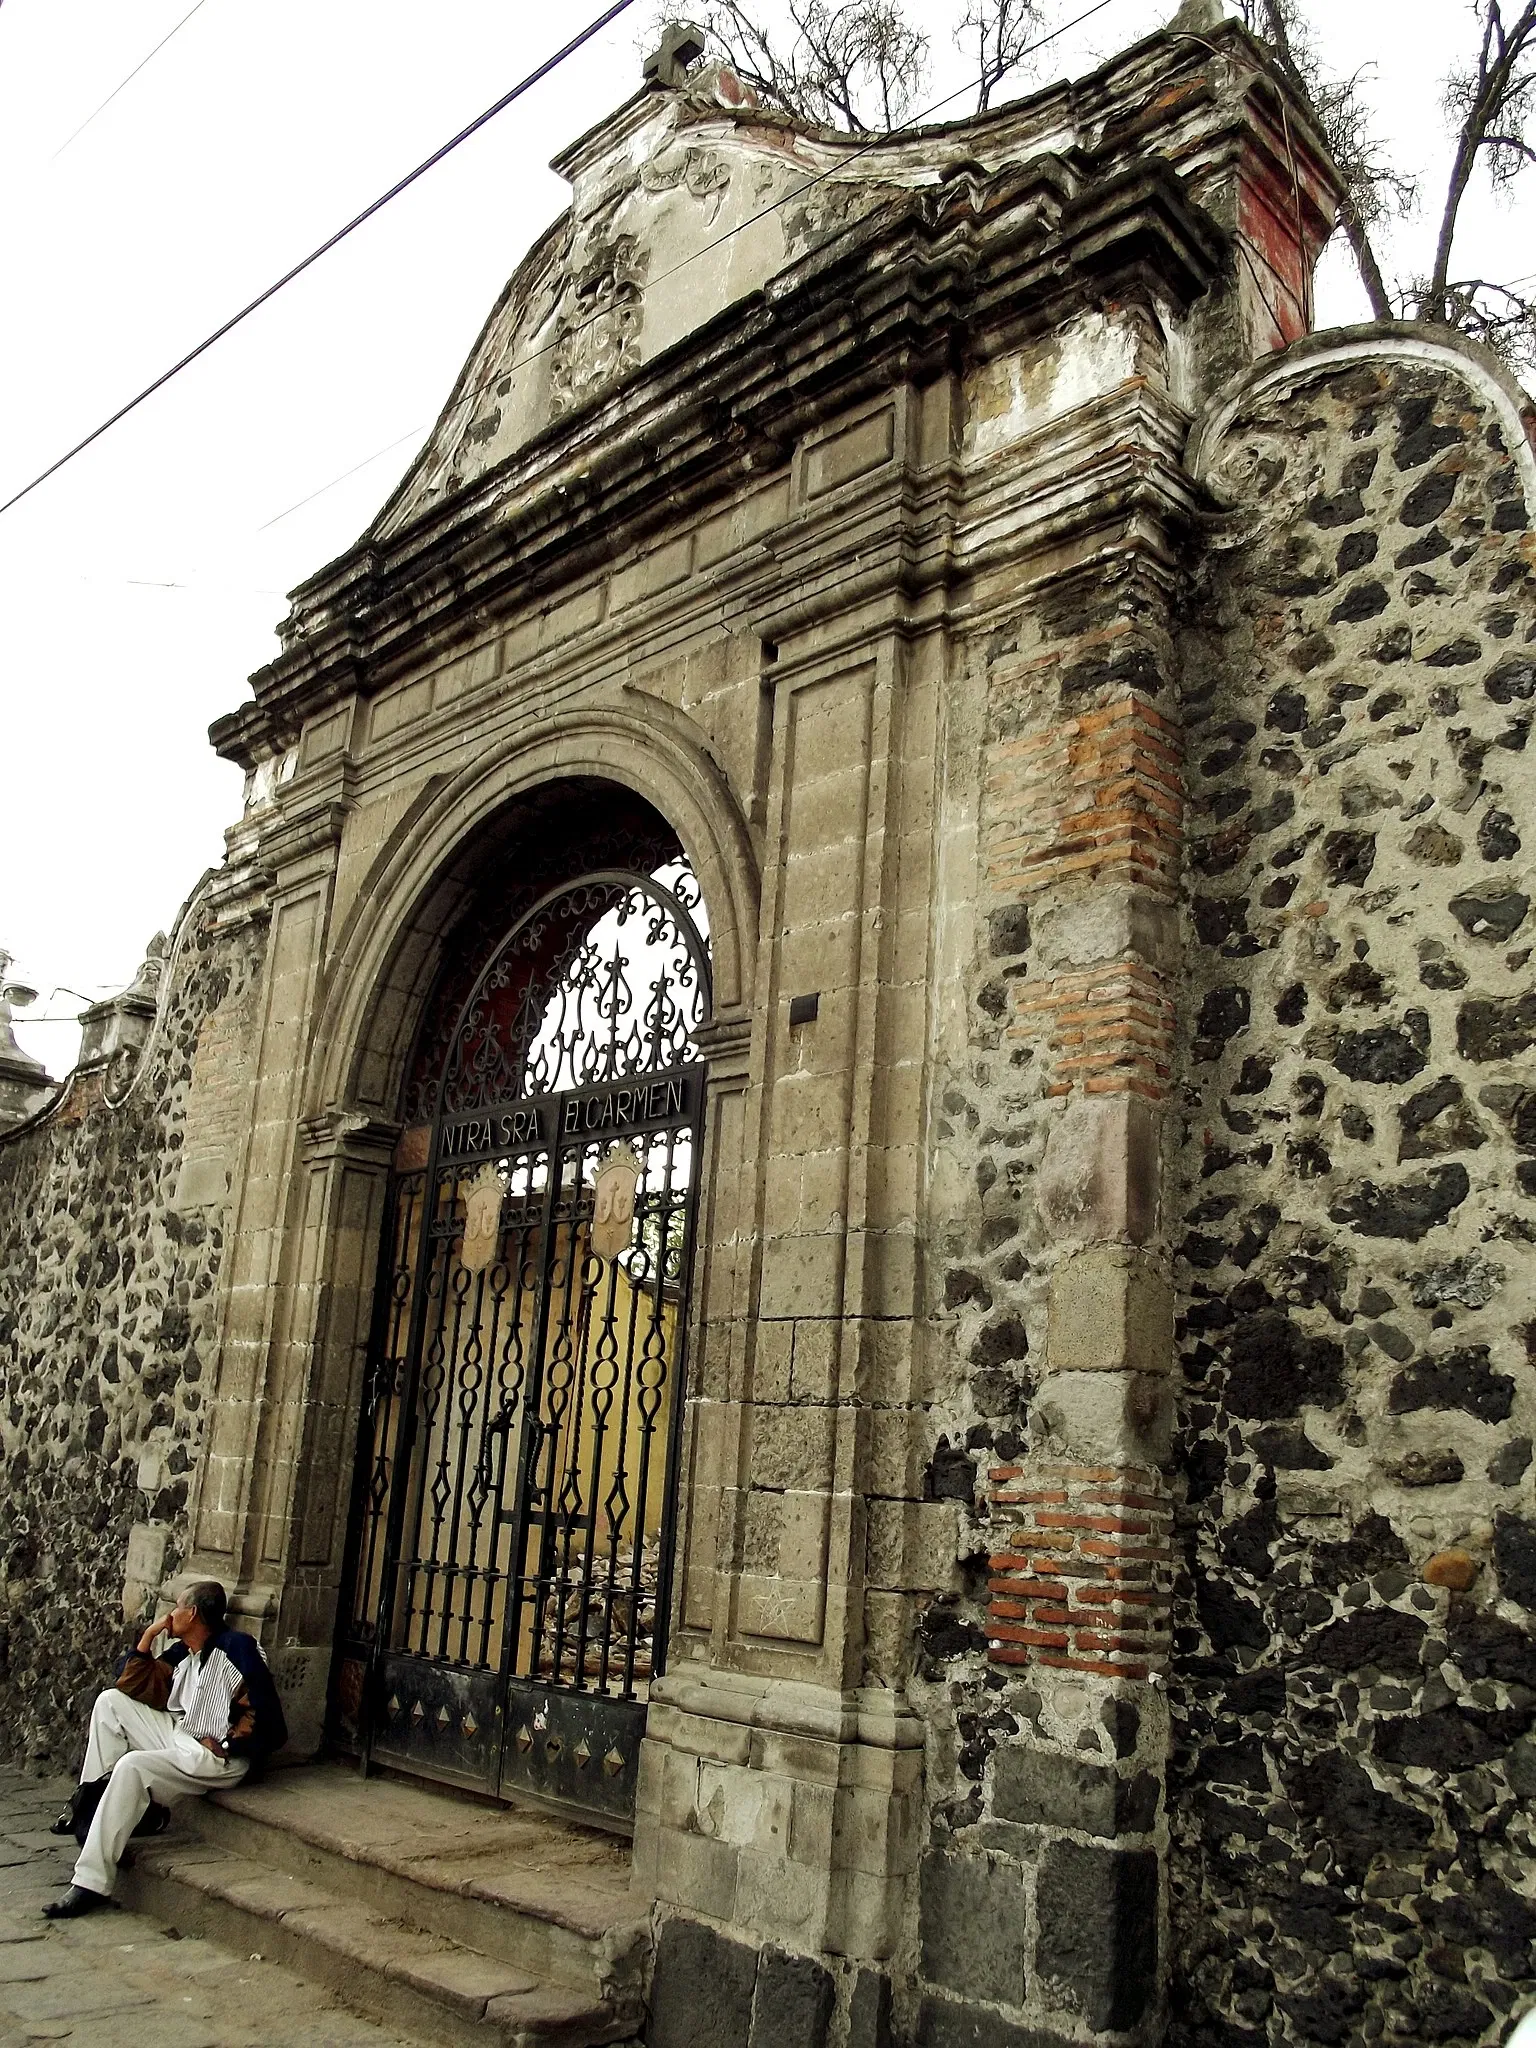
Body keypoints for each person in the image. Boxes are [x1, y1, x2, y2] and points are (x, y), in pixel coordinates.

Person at [41, 1579, 287, 1919]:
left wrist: (230, 1743)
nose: (171, 1614)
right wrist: (148, 1637)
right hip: (181, 1733)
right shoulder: (185, 1650)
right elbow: (132, 1684)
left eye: (177, 1607)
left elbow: (270, 1718)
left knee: (132, 1766)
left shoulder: (238, 1647)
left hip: (215, 1758)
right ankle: (90, 1808)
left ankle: (90, 1883)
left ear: (193, 1613)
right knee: (110, 1702)